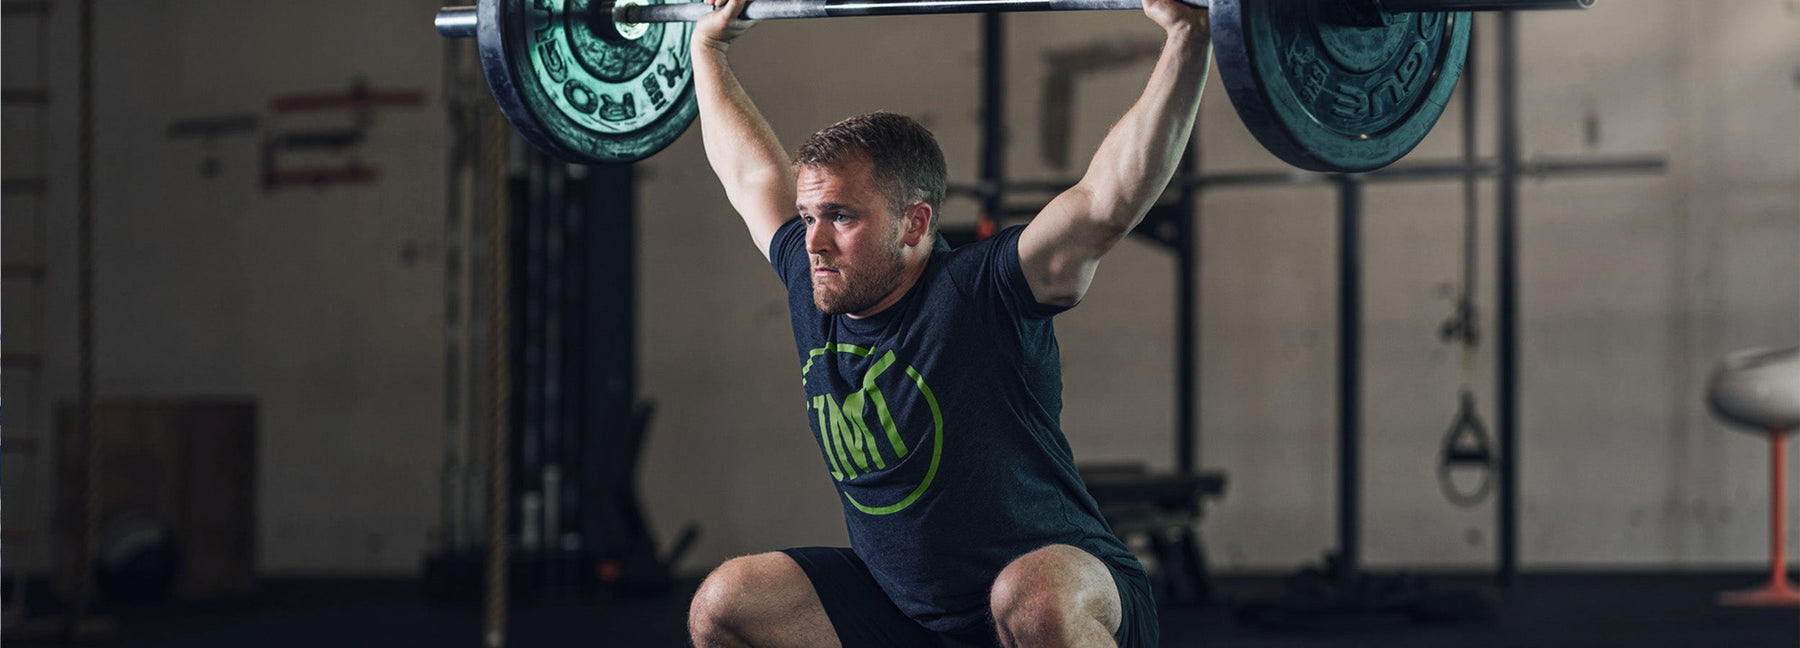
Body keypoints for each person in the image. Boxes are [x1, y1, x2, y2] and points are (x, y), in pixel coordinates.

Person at [685, 0, 1211, 645]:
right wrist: (707, 51)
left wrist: (1188, 37)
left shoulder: (980, 292)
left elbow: (1104, 204)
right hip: (908, 611)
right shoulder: (816, 274)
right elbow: (747, 173)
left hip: (1062, 596)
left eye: (842, 217)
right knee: (727, 602)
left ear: (915, 223)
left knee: (1032, 599)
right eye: (808, 216)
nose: (814, 240)